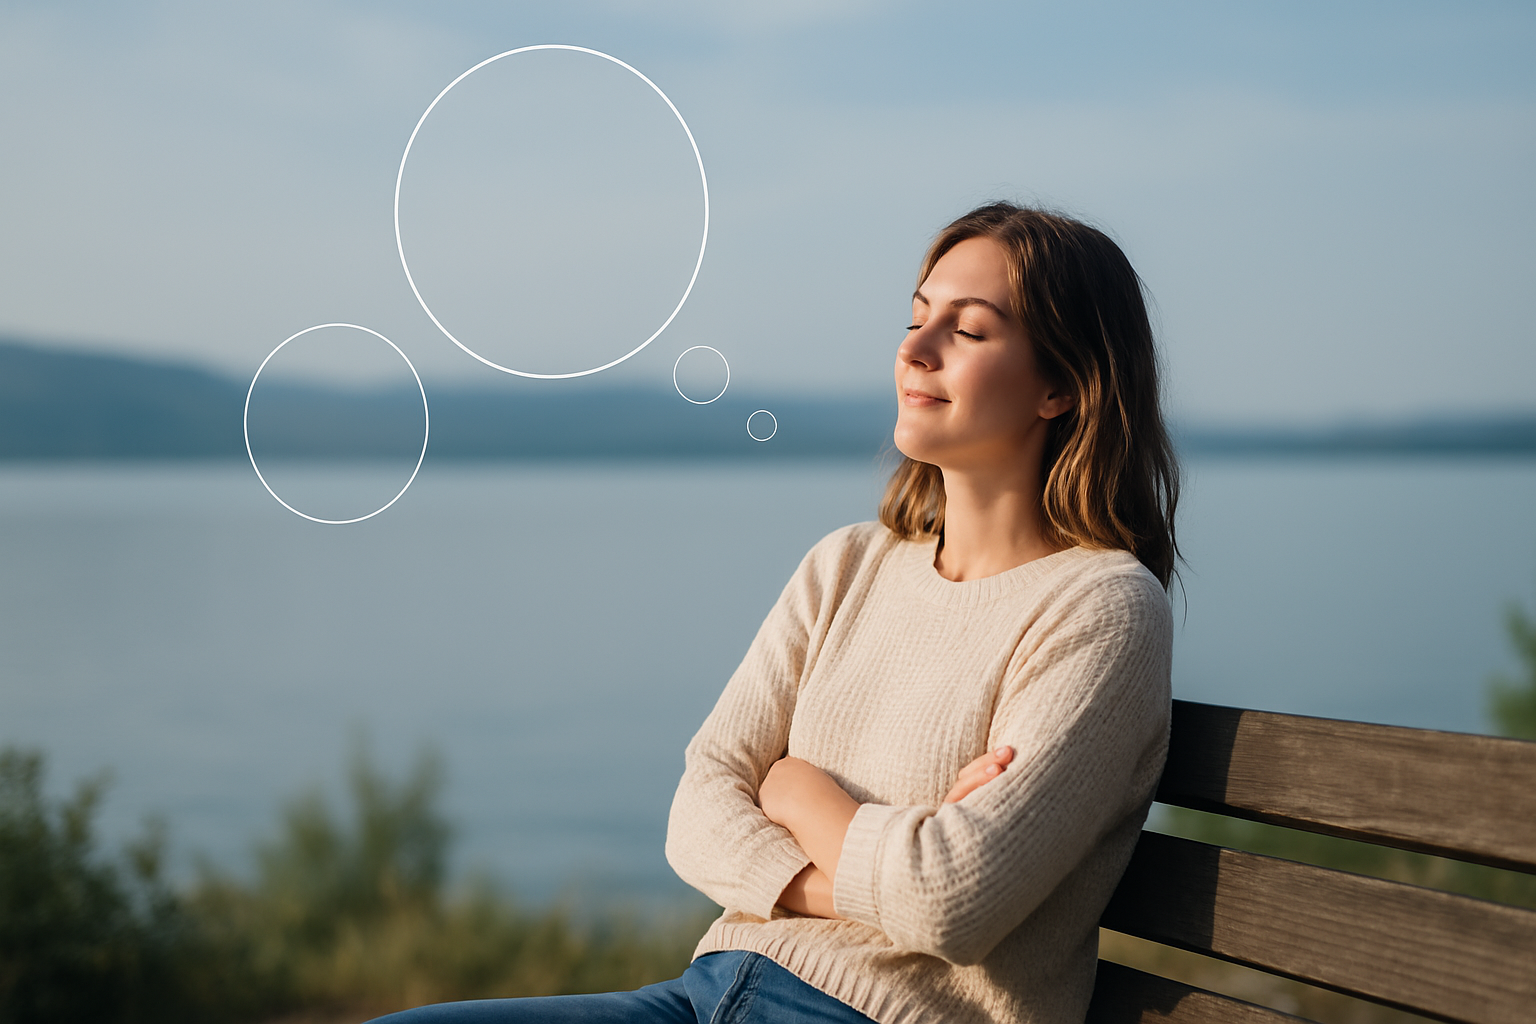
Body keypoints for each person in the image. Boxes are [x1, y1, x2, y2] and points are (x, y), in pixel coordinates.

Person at [369, 201, 1179, 1024]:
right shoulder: (847, 566)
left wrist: (796, 790)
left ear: (1063, 387)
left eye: (966, 332)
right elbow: (699, 810)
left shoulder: (1102, 609)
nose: (914, 349)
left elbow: (948, 903)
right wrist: (865, 870)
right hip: (704, 995)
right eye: (916, 318)